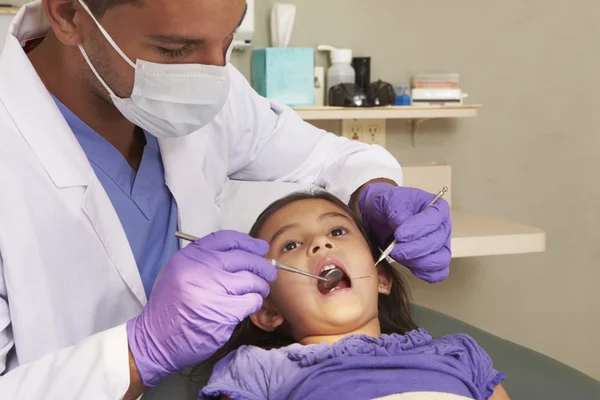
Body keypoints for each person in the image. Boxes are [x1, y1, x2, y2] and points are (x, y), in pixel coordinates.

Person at [0, 0, 451, 398]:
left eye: (229, 40)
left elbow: (329, 158)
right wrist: (141, 352)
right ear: (68, 14)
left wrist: (372, 192)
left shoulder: (207, 85)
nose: (214, 74)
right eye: (174, 50)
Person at [199, 191, 507, 400]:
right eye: (290, 245)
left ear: (381, 278)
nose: (320, 243)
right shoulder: (258, 370)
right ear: (267, 312)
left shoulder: (460, 355)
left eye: (337, 232)